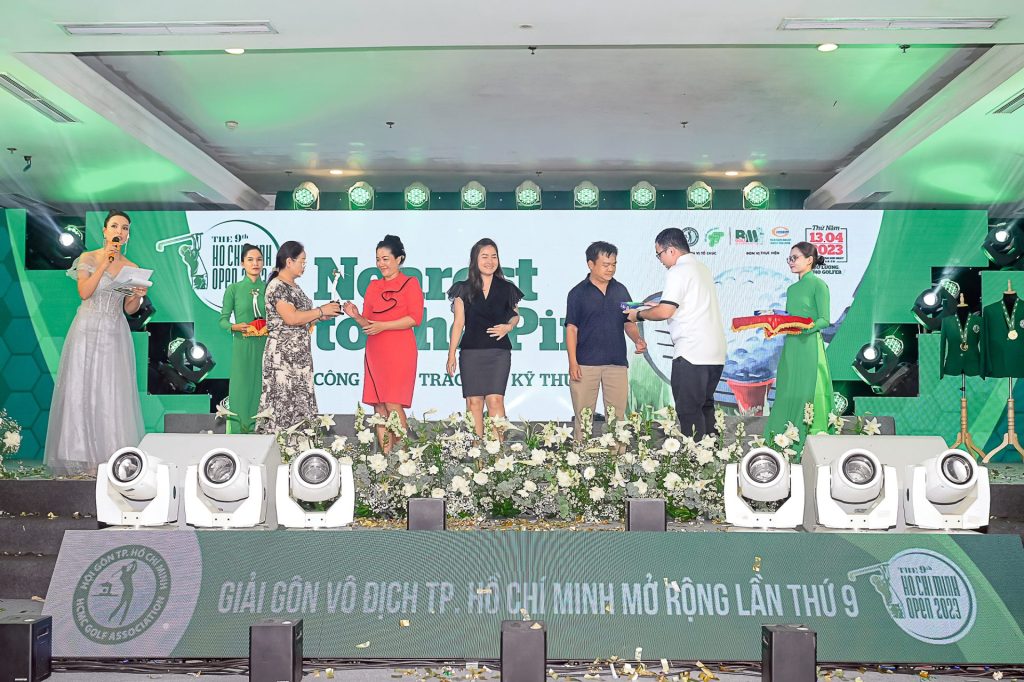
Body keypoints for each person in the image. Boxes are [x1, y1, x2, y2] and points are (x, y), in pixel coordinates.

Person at [44, 210, 147, 475]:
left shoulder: (132, 267)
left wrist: (138, 295)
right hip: (87, 329)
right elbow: (84, 292)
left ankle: (111, 459)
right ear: (105, 230)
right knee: (83, 389)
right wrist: (104, 264)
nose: (120, 231)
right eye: (115, 226)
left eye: (125, 228)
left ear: (128, 235)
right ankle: (82, 457)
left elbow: (130, 309)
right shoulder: (88, 258)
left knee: (111, 391)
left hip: (115, 331)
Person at [627, 228, 726, 440]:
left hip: (691, 352)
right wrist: (656, 306)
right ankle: (712, 455)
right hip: (714, 354)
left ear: (671, 250)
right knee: (705, 408)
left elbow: (665, 312)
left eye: (659, 254)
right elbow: (687, 305)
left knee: (689, 411)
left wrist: (638, 315)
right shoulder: (702, 269)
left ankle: (695, 457)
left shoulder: (677, 271)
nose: (660, 260)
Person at [344, 235, 424, 452]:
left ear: (399, 259)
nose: (381, 264)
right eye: (378, 259)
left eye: (386, 259)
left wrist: (383, 326)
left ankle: (404, 460)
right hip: (375, 350)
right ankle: (386, 460)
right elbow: (368, 323)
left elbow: (414, 318)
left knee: (392, 403)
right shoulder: (373, 286)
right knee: (378, 405)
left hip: (399, 349)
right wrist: (355, 315)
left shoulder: (410, 283)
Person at [257, 241, 341, 434]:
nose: (304, 265)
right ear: (289, 261)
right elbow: (291, 318)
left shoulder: (294, 286)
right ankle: (278, 446)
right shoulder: (277, 286)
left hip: (299, 356)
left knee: (300, 401)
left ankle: (300, 447)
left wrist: (320, 316)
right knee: (282, 402)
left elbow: (301, 318)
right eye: (302, 261)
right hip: (282, 357)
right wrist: (320, 310)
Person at [565, 241, 646, 439]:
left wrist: (638, 339)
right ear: (590, 264)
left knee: (617, 418)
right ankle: (580, 455)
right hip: (585, 364)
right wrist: (573, 362)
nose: (610, 269)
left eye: (614, 264)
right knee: (584, 418)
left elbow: (629, 321)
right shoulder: (577, 293)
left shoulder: (621, 290)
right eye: (605, 265)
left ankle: (618, 456)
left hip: (616, 363)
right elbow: (571, 329)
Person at [445, 238, 524, 436]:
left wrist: (508, 326)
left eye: (494, 256)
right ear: (475, 260)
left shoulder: (507, 288)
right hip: (471, 352)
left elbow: (515, 316)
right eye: (485, 256)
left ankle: (497, 450)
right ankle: (476, 448)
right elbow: (458, 323)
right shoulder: (463, 288)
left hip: (498, 352)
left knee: (495, 400)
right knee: (474, 402)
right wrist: (451, 354)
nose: (490, 261)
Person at [764, 241, 833, 443]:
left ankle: (811, 437)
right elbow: (791, 318)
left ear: (809, 260)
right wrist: (777, 323)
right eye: (789, 258)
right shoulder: (792, 289)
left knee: (808, 390)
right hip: (791, 345)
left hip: (809, 345)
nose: (791, 262)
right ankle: (784, 438)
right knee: (788, 390)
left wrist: (804, 328)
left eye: (795, 258)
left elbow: (824, 320)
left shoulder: (818, 285)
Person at [218, 244, 268, 433]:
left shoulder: (270, 288)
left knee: (262, 388)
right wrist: (234, 327)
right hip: (242, 344)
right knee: (241, 389)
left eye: (259, 259)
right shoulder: (234, 289)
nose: (255, 263)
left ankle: (260, 433)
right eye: (250, 260)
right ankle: (238, 436)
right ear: (242, 263)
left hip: (266, 346)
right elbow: (222, 320)